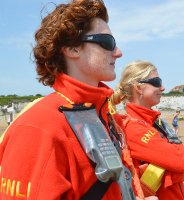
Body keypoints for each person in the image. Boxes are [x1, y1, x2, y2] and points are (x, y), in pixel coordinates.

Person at [0, 0, 130, 199]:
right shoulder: (39, 127)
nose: (118, 52)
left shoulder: (104, 115)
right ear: (72, 48)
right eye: (107, 42)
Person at [111, 60, 184, 200]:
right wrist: (172, 173)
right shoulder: (132, 128)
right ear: (138, 88)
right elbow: (183, 163)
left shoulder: (155, 121)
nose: (163, 88)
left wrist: (165, 174)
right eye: (157, 82)